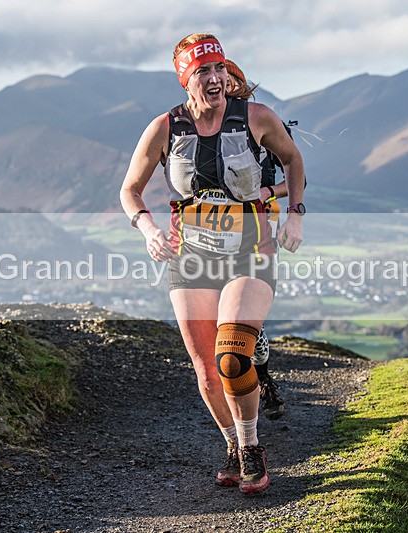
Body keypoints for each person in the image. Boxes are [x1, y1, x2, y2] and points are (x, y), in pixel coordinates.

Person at [120, 33, 306, 495]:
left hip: (251, 250)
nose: (215, 77)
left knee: (231, 354)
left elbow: (293, 161)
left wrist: (295, 216)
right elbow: (130, 190)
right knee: (205, 370)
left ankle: (251, 447)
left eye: (219, 68)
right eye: (203, 71)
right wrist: (148, 230)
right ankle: (231, 446)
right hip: (192, 256)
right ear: (187, 80)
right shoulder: (165, 128)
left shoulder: (257, 118)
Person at [224, 58, 286, 421]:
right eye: (221, 80)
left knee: (250, 327)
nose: (226, 86)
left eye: (233, 81)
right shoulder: (200, 128)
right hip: (210, 238)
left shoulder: (261, 122)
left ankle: (263, 381)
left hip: (257, 233)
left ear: (242, 85)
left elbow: (297, 178)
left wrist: (266, 191)